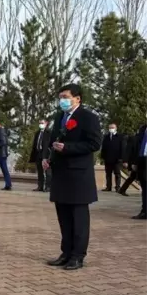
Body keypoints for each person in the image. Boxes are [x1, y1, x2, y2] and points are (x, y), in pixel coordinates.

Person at [43, 84, 101, 270]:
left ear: (78, 98)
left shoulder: (88, 117)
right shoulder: (59, 117)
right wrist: (48, 160)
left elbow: (94, 144)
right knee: (64, 216)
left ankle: (78, 256)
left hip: (78, 175)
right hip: (61, 174)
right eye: (60, 97)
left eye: (66, 96)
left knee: (78, 218)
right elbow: (53, 141)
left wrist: (68, 148)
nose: (62, 100)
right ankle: (66, 252)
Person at [127, 122, 147, 219]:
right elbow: (137, 146)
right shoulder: (143, 129)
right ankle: (145, 211)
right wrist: (134, 162)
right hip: (142, 160)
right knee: (145, 187)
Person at [100, 123, 125, 192]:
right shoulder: (106, 137)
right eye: (110, 128)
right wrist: (103, 157)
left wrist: (121, 158)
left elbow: (122, 148)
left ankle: (117, 187)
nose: (111, 129)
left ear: (116, 128)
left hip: (117, 159)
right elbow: (103, 148)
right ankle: (108, 187)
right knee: (108, 174)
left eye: (113, 127)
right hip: (108, 159)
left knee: (117, 174)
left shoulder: (120, 137)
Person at [29, 119, 52, 192]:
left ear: (46, 123)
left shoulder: (49, 133)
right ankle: (40, 186)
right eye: (39, 123)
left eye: (42, 123)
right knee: (39, 171)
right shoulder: (37, 133)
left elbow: (49, 144)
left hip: (46, 153)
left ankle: (48, 187)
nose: (40, 124)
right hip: (38, 153)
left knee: (48, 171)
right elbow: (35, 144)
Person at [119, 132, 138, 196]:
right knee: (133, 176)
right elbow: (128, 150)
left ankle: (122, 189)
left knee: (132, 176)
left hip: (140, 161)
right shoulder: (133, 139)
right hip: (135, 162)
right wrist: (125, 161)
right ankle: (122, 190)